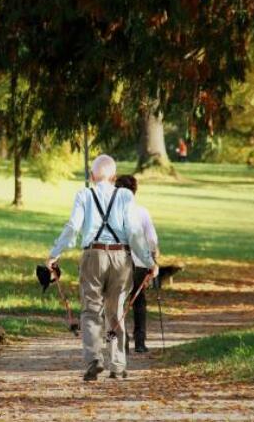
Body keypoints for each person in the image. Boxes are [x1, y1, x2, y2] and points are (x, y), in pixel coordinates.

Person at [46, 154, 158, 381]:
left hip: (92, 255)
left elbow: (73, 227)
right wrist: (149, 262)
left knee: (90, 310)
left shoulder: (84, 195)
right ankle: (117, 365)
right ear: (114, 177)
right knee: (116, 311)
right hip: (120, 257)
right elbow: (135, 233)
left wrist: (55, 254)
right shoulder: (125, 196)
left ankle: (94, 359)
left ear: (91, 176)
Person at [115, 175, 158, 353]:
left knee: (119, 301)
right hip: (140, 262)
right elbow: (152, 239)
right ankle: (140, 342)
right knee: (139, 301)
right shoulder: (142, 212)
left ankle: (121, 341)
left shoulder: (112, 213)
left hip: (118, 262)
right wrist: (154, 260)